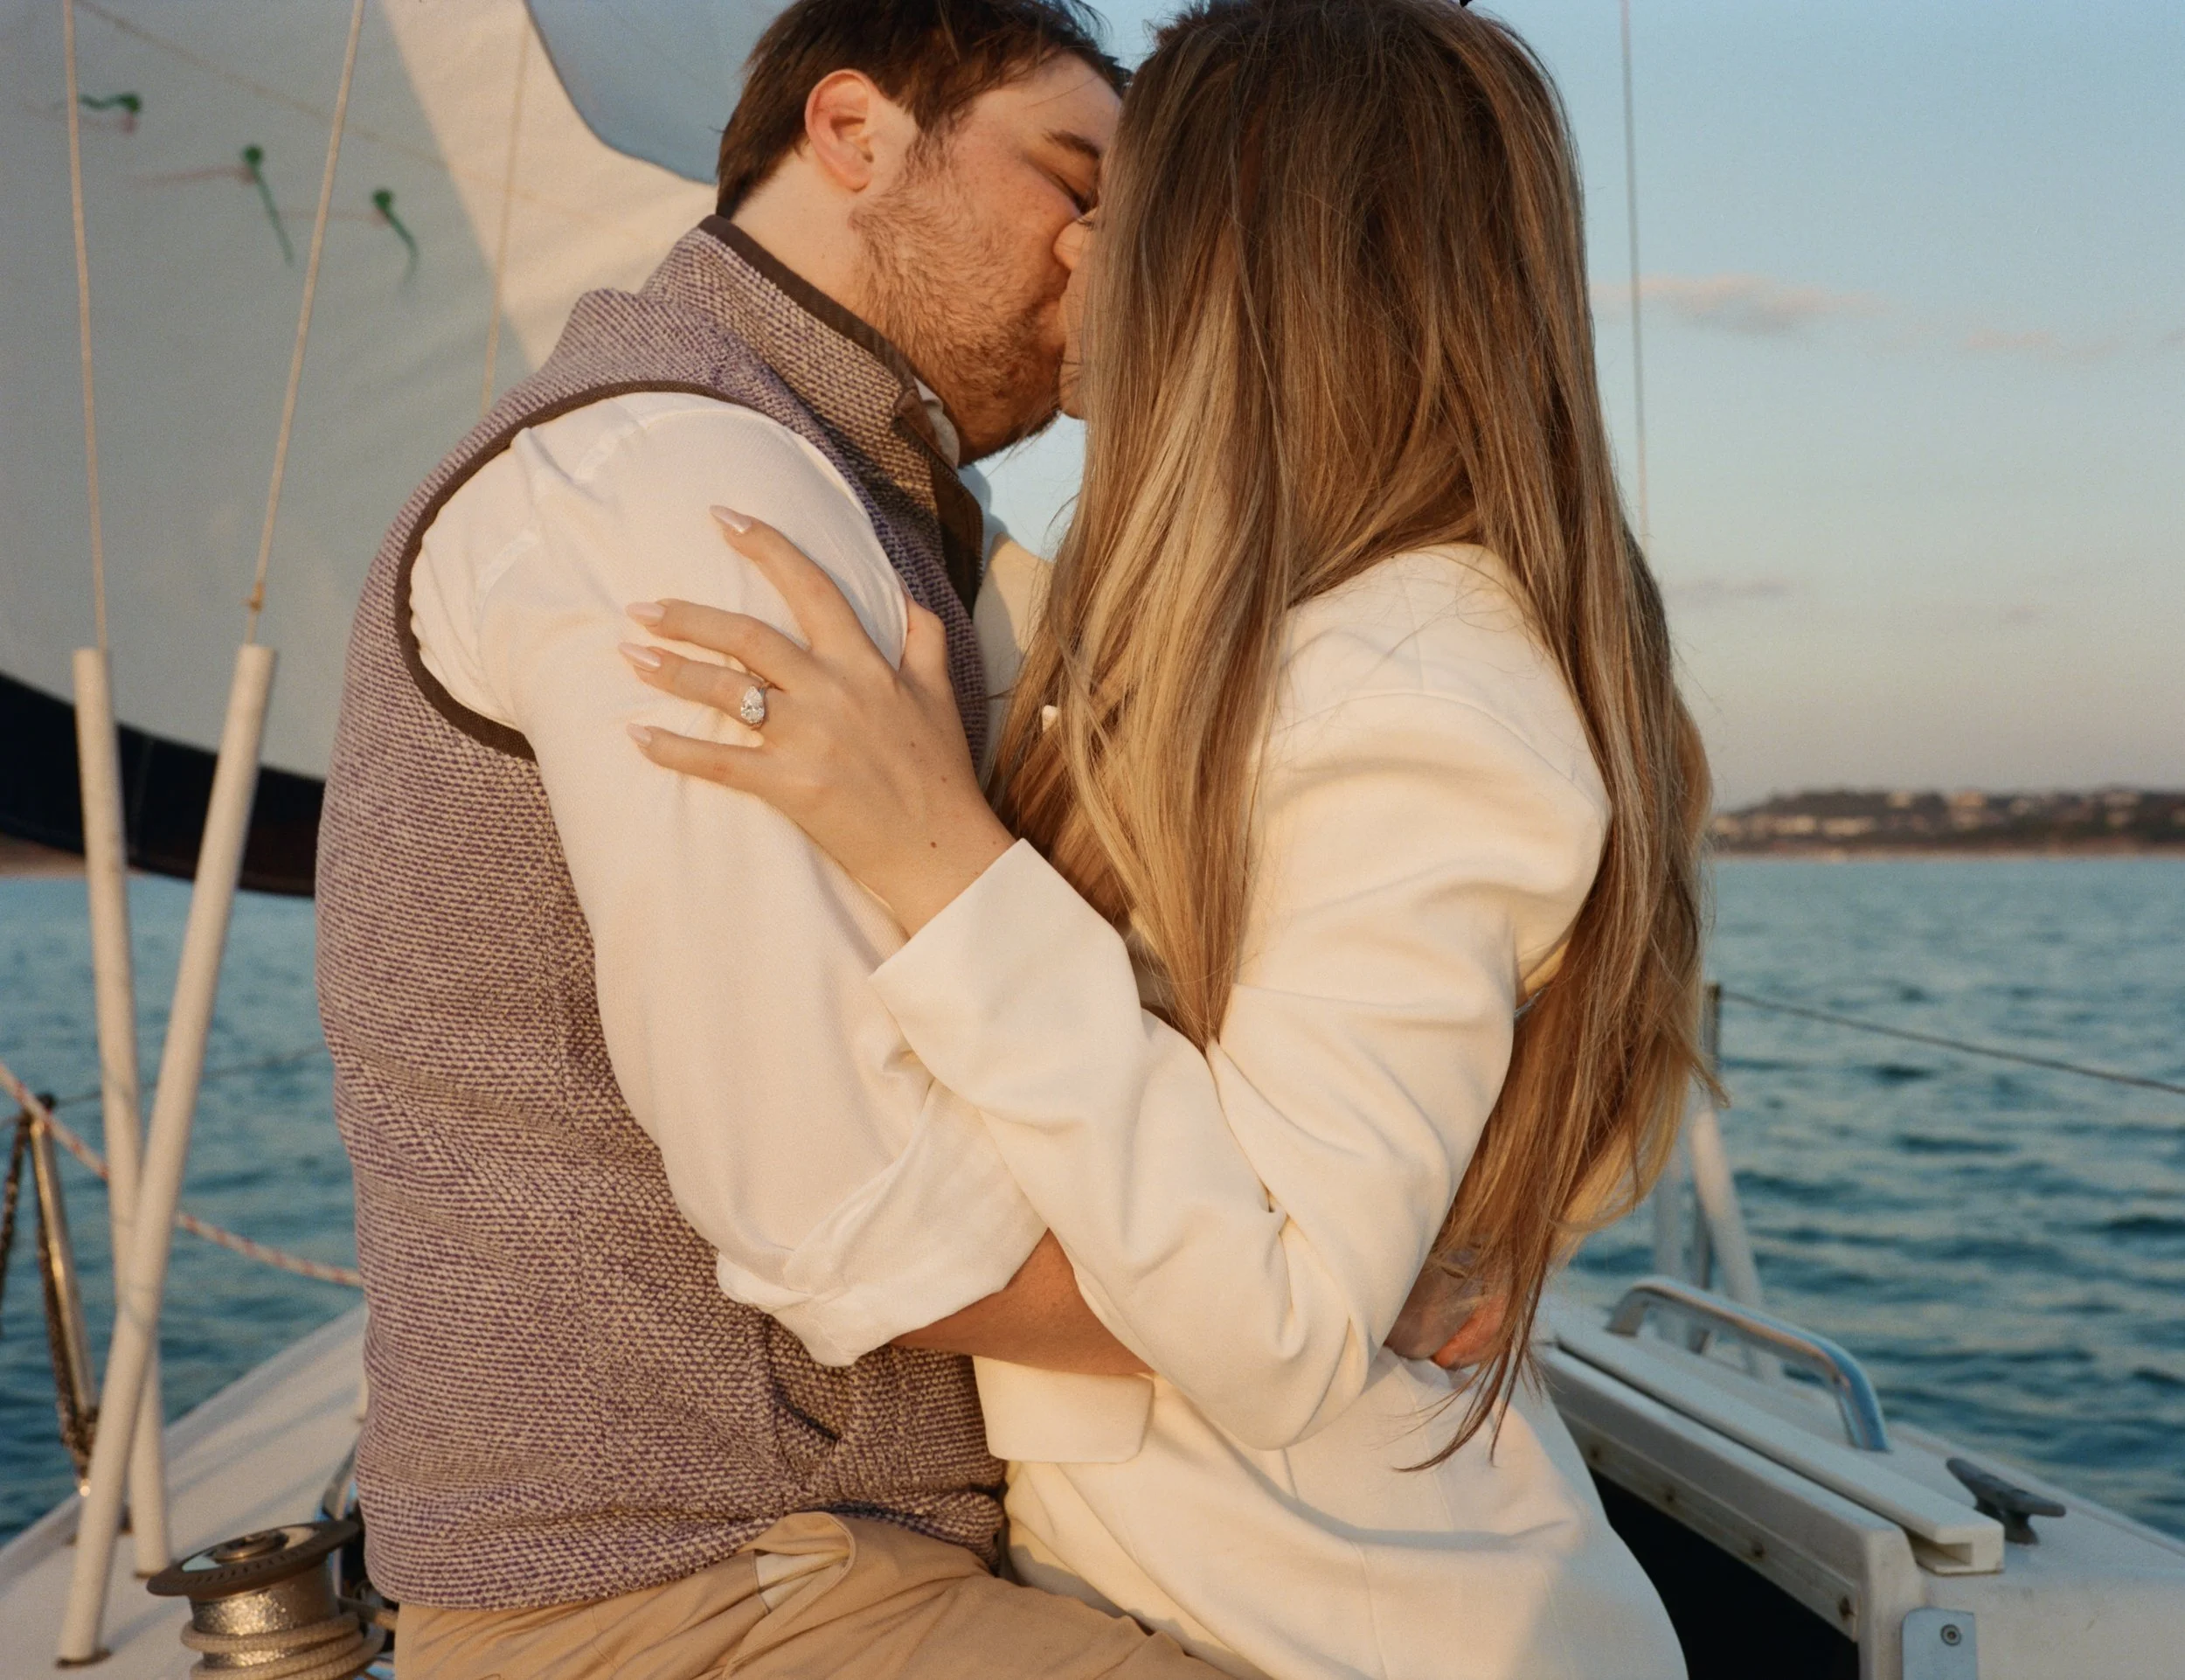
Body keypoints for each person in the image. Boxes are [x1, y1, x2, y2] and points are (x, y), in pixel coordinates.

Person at [619, 2, 1709, 1677]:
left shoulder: (1409, 689)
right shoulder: (1275, 643)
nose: (1078, 243)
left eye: (1124, 204)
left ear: (1240, 265)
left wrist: (940, 862)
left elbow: (1278, 1325)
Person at [316, 2, 1310, 1674]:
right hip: (691, 1592)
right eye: (1074, 184)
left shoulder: (854, 495)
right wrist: (1318, 1297)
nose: (1106, 264)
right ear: (852, 130)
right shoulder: (688, 491)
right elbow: (855, 1221)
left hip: (817, 1559)